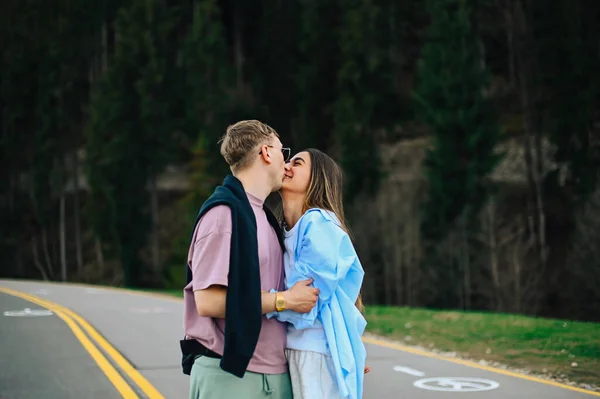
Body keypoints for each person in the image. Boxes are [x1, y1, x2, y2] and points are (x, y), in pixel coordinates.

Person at [181, 120, 320, 399]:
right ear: (267, 153)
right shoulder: (223, 216)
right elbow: (208, 301)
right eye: (284, 152)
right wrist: (283, 300)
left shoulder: (265, 219)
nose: (286, 162)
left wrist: (338, 354)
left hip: (275, 374)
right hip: (231, 375)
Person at [267, 148, 368, 399]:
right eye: (287, 161)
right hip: (294, 349)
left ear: (316, 180)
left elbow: (305, 303)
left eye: (297, 163)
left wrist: (259, 303)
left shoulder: (319, 224)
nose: (287, 166)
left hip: (314, 352)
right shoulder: (283, 228)